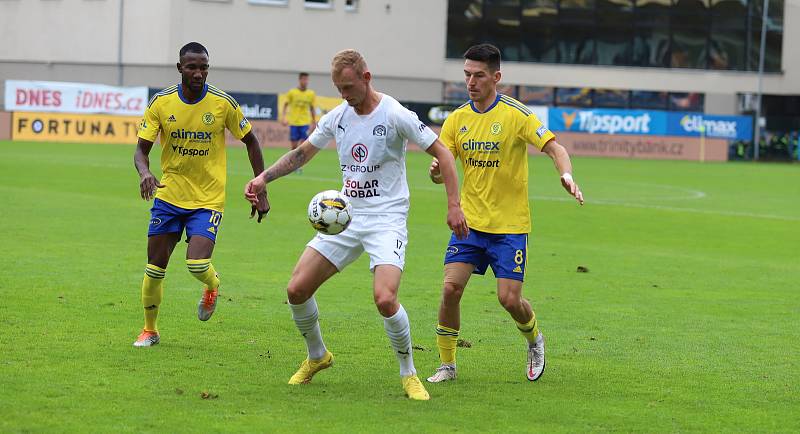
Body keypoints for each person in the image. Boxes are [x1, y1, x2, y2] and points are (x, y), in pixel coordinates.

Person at [244, 49, 468, 400]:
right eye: (338, 88)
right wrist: (263, 179)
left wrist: (454, 205)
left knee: (384, 298)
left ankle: (409, 373)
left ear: (366, 78)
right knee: (296, 290)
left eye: (348, 86)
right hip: (346, 217)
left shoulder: (395, 114)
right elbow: (302, 153)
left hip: (387, 220)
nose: (344, 95)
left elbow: (443, 153)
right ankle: (317, 356)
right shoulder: (339, 115)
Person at [425, 43, 584, 384]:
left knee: (509, 300)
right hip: (469, 223)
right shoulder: (457, 119)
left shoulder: (516, 114)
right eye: (467, 75)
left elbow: (555, 148)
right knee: (451, 289)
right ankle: (447, 365)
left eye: (478, 75)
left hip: (510, 226)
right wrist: (436, 171)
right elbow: (443, 167)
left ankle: (534, 340)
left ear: (496, 77)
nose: (471, 82)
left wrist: (566, 174)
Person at [132, 42, 268, 347]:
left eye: (203, 67)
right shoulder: (161, 103)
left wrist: (261, 186)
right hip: (168, 196)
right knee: (154, 269)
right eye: (192, 67)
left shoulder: (222, 103)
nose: (198, 73)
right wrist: (145, 173)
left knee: (196, 265)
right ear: (180, 68)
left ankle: (212, 285)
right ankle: (150, 330)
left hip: (207, 199)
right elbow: (141, 150)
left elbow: (252, 141)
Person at [281, 72, 317, 151]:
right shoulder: (292, 92)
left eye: (307, 79)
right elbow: (285, 105)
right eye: (304, 79)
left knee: (303, 146)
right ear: (299, 80)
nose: (305, 81)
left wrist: (314, 122)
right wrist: (283, 118)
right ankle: (293, 162)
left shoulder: (311, 94)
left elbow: (312, 108)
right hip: (294, 123)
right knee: (294, 146)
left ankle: (299, 162)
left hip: (305, 123)